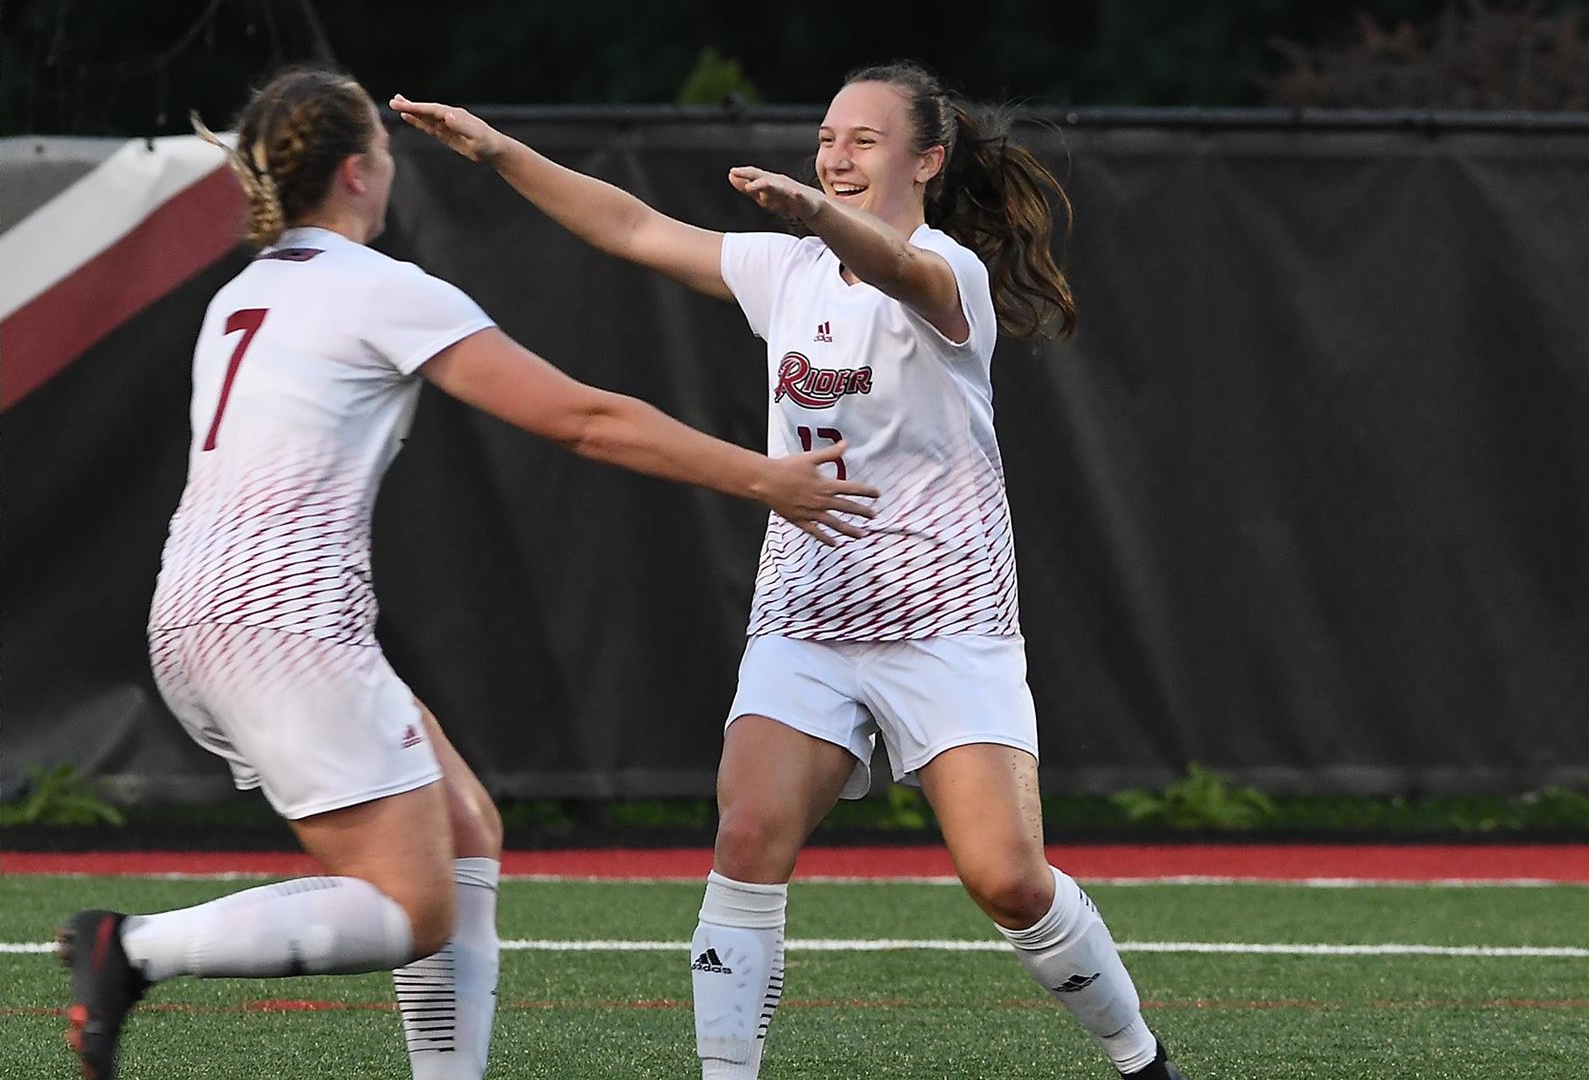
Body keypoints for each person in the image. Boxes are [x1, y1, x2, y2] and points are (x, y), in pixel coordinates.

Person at [56, 65, 880, 1080]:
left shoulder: (242, 293)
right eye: (387, 156)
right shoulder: (377, 287)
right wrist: (767, 478)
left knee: (465, 827)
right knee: (412, 906)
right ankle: (129, 950)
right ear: (359, 171)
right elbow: (584, 420)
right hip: (283, 626)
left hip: (193, 613)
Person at [393, 59, 1189, 1080]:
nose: (835, 154)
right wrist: (499, 150)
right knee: (749, 830)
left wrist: (818, 210)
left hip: (947, 625)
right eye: (825, 138)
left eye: (862, 140)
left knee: (1008, 882)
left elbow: (896, 269)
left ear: (929, 159)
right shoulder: (791, 268)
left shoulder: (951, 275)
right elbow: (631, 228)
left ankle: (1141, 1060)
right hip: (806, 620)